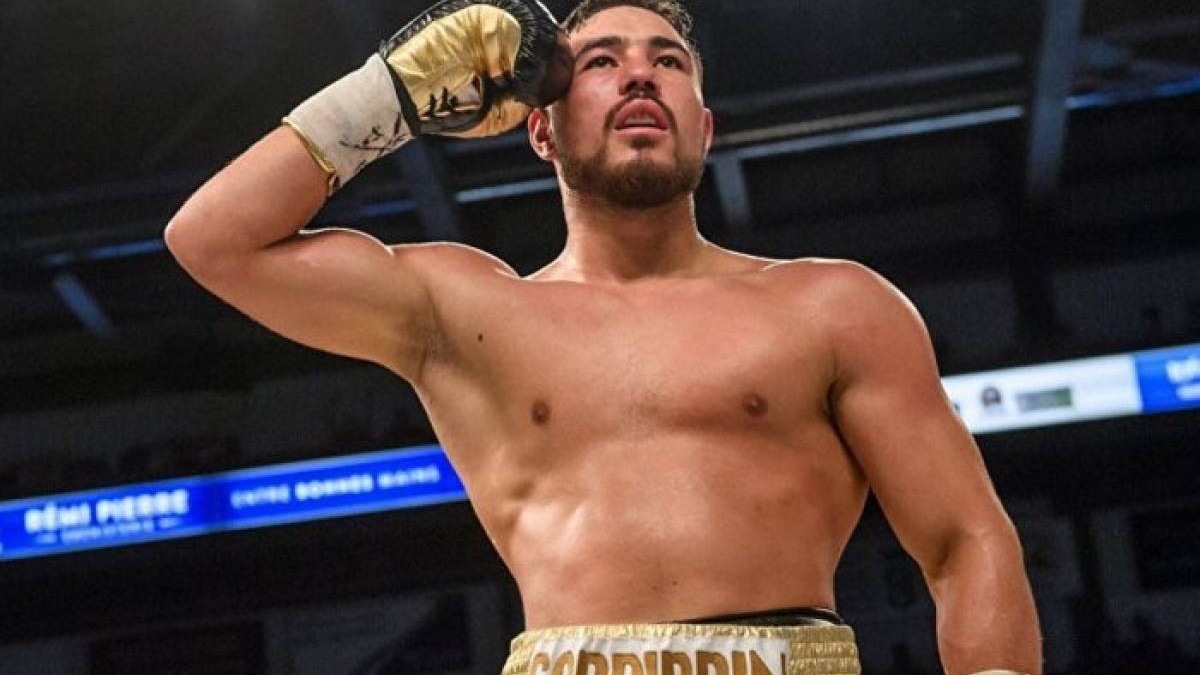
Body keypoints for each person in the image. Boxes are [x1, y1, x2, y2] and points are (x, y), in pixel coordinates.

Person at [164, 1, 1042, 673]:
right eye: (601, 62)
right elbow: (213, 241)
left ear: (704, 126)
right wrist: (390, 91)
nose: (640, 77)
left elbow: (966, 538)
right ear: (538, 126)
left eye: (668, 61)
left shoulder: (836, 306)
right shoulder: (465, 313)